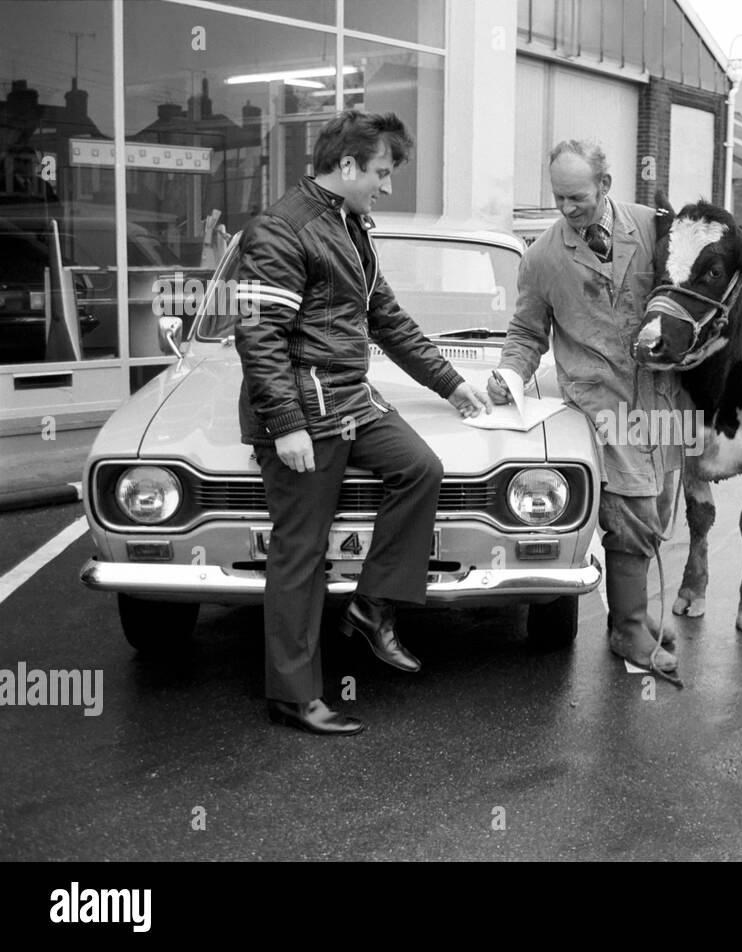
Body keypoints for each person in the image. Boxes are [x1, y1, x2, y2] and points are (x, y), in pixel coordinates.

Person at [235, 109, 489, 736]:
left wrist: (452, 384)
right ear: (346, 166)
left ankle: (373, 609)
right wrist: (286, 423)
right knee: (300, 550)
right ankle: (293, 695)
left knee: (419, 468)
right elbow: (258, 334)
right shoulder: (279, 229)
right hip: (301, 412)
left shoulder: (351, 225)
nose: (387, 184)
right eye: (381, 171)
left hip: (349, 397)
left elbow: (389, 320)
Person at [489, 140, 684, 673]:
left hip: (665, 398)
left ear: (606, 185)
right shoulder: (543, 258)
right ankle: (627, 633)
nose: (568, 208)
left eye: (578, 196)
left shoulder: (655, 229)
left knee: (660, 510)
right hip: (599, 400)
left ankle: (636, 613)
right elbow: (527, 331)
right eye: (559, 198)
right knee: (631, 516)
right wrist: (510, 373)